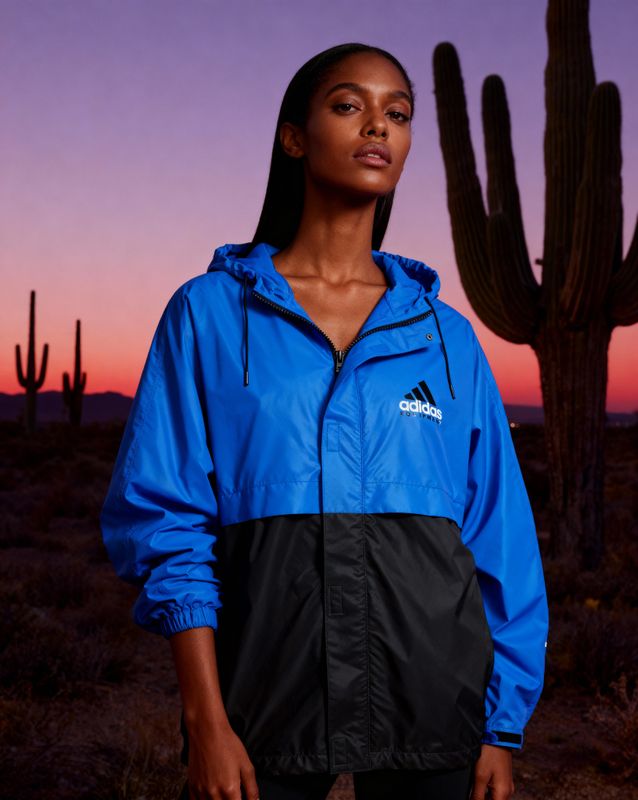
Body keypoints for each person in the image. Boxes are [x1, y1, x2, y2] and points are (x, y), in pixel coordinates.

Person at [100, 42, 549, 800]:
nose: (378, 125)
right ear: (294, 136)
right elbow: (167, 520)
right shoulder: (209, 315)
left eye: (398, 113)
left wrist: (502, 725)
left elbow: (497, 534)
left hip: (437, 700)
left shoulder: (447, 335)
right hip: (260, 701)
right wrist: (206, 720)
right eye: (349, 105)